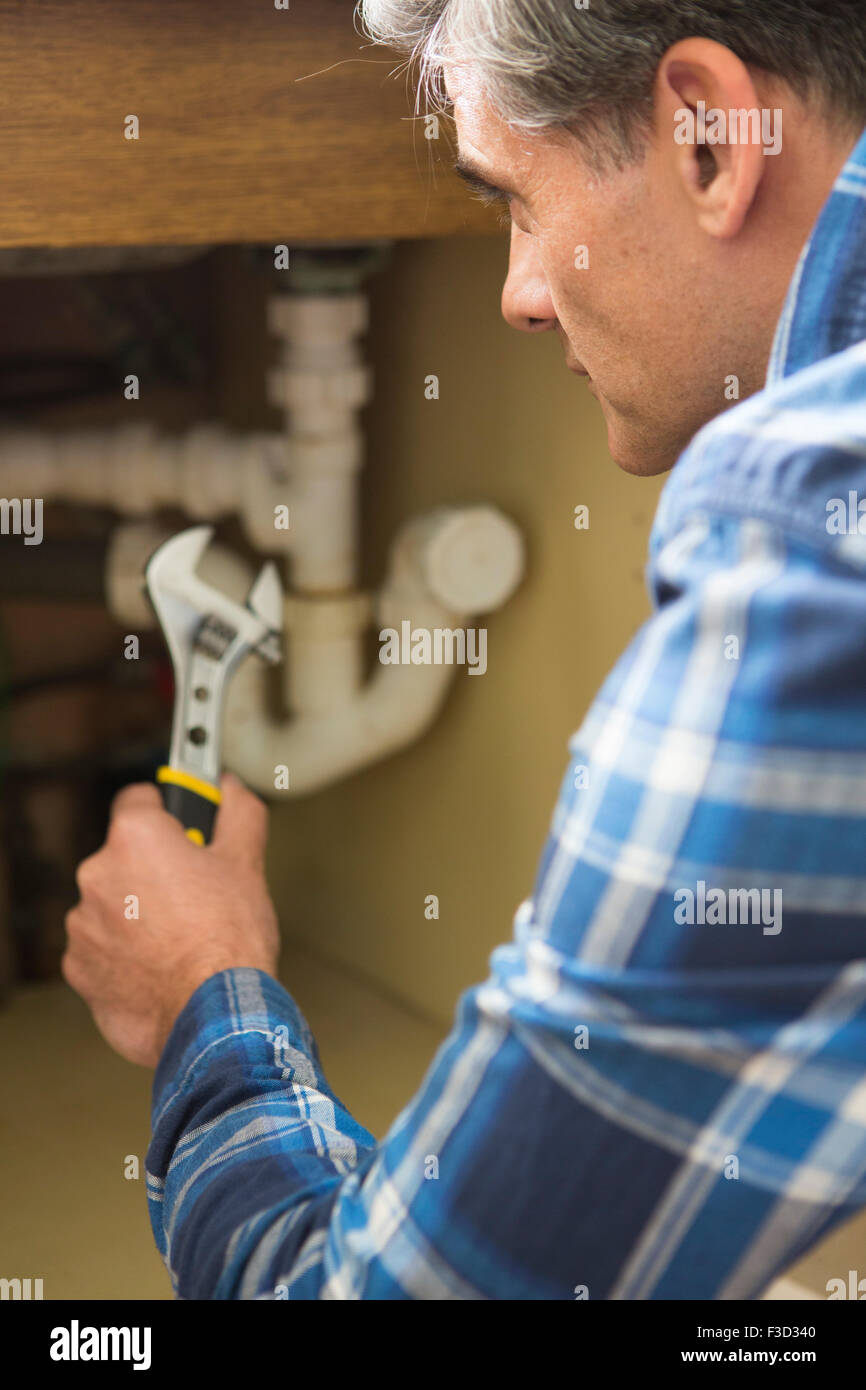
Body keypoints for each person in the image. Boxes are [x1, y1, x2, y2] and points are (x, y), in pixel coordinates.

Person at [64, 1, 866, 1298]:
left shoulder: (808, 549)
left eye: (515, 203)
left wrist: (201, 999)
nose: (517, 294)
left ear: (711, 139)